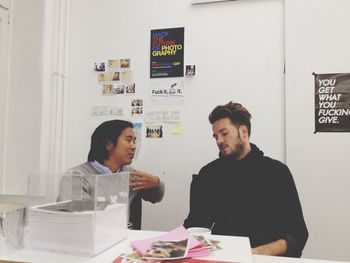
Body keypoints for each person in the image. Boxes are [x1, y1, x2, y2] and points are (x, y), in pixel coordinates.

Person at [183, 101, 308, 257]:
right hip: (221, 257)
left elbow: (298, 234)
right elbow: (195, 225)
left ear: (243, 132)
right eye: (216, 136)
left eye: (224, 133)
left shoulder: (276, 172)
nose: (219, 141)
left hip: (265, 258)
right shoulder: (208, 174)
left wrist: (252, 254)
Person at [58, 119, 165, 229]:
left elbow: (156, 197)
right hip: (89, 240)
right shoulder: (76, 177)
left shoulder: (129, 173)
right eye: (128, 141)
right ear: (109, 144)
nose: (134, 146)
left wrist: (156, 183)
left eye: (134, 141)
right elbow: (79, 220)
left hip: (120, 238)